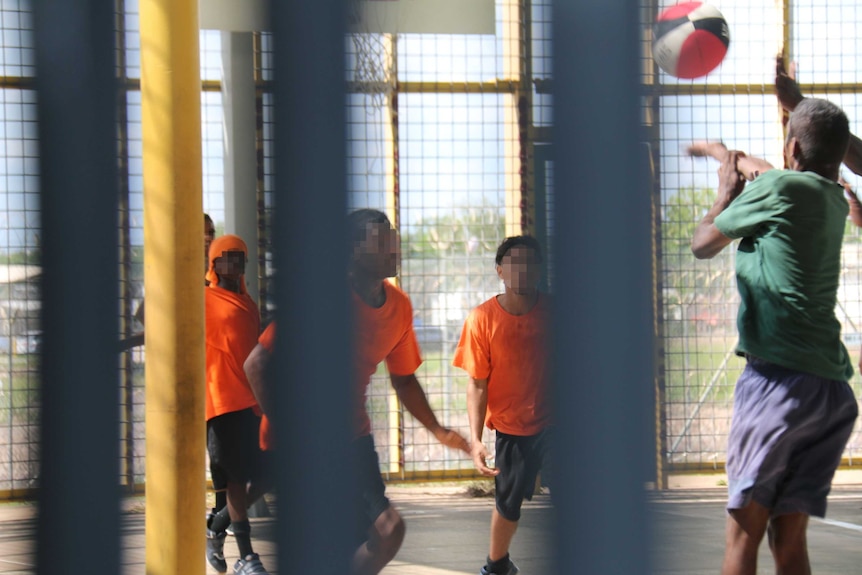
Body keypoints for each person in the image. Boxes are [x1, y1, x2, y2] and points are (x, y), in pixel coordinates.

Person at [690, 98, 859, 575]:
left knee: (743, 537)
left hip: (778, 386)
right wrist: (722, 151)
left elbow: (702, 245)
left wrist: (724, 191)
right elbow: (770, 170)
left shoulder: (783, 186)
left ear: (792, 149)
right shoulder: (830, 195)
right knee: (789, 540)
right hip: (829, 393)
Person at [346, 208, 470, 575]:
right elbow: (258, 364)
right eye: (381, 239)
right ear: (353, 250)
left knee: (387, 531)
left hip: (353, 439)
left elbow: (403, 378)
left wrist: (438, 430)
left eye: (393, 236)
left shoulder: (398, 306)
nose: (393, 245)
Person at [452, 235, 551, 575]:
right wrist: (476, 440)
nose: (521, 269)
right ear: (500, 271)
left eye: (529, 263)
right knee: (508, 505)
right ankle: (496, 566)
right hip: (511, 426)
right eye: (514, 263)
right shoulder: (481, 319)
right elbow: (477, 384)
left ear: (538, 270)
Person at [203, 234, 268, 575]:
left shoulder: (249, 305)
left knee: (269, 473)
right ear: (213, 264)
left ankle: (217, 523)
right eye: (227, 257)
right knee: (236, 479)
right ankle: (246, 557)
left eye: (240, 258)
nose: (235, 263)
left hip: (252, 403)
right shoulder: (200, 298)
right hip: (220, 403)